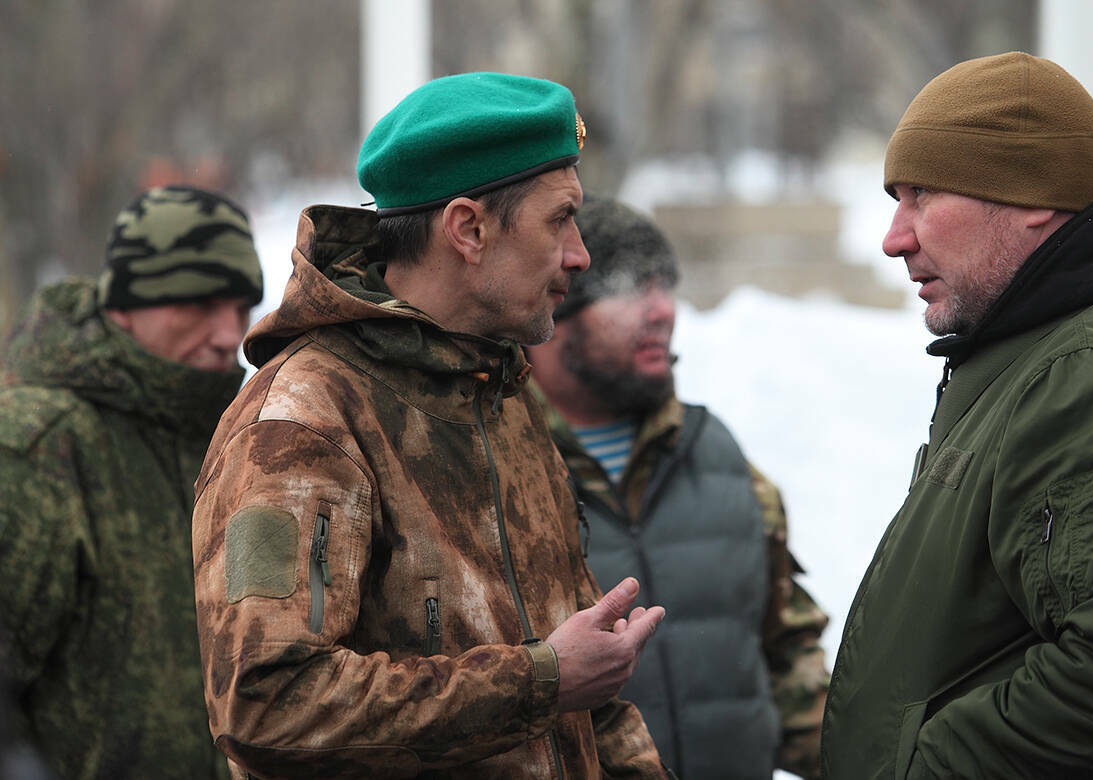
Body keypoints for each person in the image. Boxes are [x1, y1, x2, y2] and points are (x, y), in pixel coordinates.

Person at [190, 72, 669, 779]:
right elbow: (266, 704)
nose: (580, 254)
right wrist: (538, 682)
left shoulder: (500, 393)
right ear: (469, 230)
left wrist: (567, 685)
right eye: (559, 219)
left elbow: (587, 691)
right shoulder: (303, 422)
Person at [821, 51, 1093, 778]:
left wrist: (924, 768)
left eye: (922, 195)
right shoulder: (1038, 349)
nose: (894, 237)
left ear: (1034, 196)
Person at [526, 195, 831, 779]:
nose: (663, 310)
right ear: (556, 305)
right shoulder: (493, 470)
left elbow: (787, 659)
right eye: (629, 288)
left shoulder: (719, 457)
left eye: (667, 286)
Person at [0, 184, 264, 779]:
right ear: (124, 304)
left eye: (241, 307)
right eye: (200, 304)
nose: (230, 334)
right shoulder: (37, 447)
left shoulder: (238, 433)